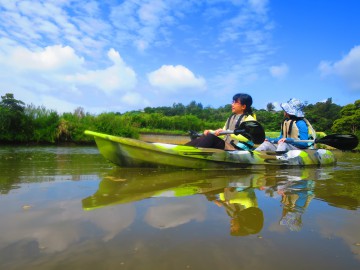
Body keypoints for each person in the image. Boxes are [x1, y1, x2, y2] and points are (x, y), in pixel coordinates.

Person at [186, 93, 256, 150]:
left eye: (235, 102)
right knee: (206, 136)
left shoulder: (250, 119)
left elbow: (249, 138)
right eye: (233, 102)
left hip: (239, 150)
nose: (232, 104)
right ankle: (184, 149)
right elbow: (223, 133)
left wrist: (229, 133)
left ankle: (192, 154)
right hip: (228, 146)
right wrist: (210, 131)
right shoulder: (231, 118)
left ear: (243, 106)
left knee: (211, 138)